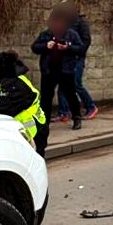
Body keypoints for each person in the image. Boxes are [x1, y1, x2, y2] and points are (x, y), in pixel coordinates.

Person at [31, 9, 85, 152]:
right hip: (49, 70)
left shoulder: (71, 34)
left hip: (66, 70)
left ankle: (76, 117)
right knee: (46, 98)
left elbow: (80, 49)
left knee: (70, 95)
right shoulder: (46, 34)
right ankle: (44, 122)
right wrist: (45, 46)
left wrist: (67, 47)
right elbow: (34, 47)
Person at [54, 2, 99, 122]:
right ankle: (64, 112)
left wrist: (75, 51)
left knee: (76, 84)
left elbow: (86, 41)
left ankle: (91, 106)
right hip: (65, 59)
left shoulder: (80, 23)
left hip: (76, 59)